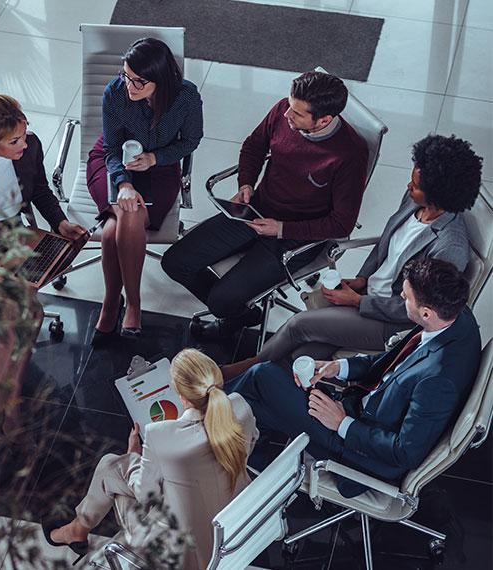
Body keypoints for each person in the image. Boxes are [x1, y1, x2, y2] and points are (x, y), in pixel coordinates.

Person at [221, 134, 483, 380]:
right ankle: (262, 384)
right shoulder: (415, 201)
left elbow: (416, 311)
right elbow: (386, 245)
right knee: (301, 355)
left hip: (388, 321)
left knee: (298, 326)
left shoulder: (450, 248)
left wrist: (359, 302)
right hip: (369, 293)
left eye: (415, 185)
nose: (408, 186)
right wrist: (362, 278)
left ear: (437, 196)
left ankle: (245, 369)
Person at [226, 259, 481, 497]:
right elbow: (391, 362)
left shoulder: (438, 379)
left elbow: (406, 453)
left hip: (358, 451)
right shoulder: (454, 316)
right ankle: (248, 458)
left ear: (426, 313)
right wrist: (338, 367)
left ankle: (201, 409)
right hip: (360, 410)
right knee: (254, 403)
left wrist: (341, 423)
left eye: (407, 297)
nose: (401, 296)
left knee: (262, 375)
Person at [161, 70, 368, 340]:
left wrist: (280, 229)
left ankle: (230, 310)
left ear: (324, 120)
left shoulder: (350, 155)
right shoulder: (285, 109)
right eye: (289, 105)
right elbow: (254, 146)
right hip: (255, 210)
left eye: (297, 113)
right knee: (174, 262)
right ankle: (241, 311)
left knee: (220, 302)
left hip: (294, 239)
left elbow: (342, 224)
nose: (286, 115)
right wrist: (246, 184)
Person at [43, 348, 258, 569]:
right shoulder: (240, 406)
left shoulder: (161, 435)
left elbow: (145, 495)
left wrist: (133, 456)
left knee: (111, 470)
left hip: (185, 553)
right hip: (236, 525)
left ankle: (76, 530)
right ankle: (77, 529)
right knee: (116, 467)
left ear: (180, 396)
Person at [0, 94, 86, 441]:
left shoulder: (29, 148)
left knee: (29, 319)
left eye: (24, 133)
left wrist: (60, 223)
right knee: (17, 321)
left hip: (17, 238)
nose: (24, 143)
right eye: (13, 140)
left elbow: (42, 190)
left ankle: (7, 400)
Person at [87, 38, 203, 343]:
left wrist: (155, 158)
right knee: (131, 211)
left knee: (115, 229)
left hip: (161, 170)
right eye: (126, 75)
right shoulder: (115, 91)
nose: (130, 85)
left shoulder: (186, 97)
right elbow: (111, 147)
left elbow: (190, 142)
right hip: (112, 164)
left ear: (161, 80)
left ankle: (114, 302)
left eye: (139, 81)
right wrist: (123, 183)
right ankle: (130, 305)